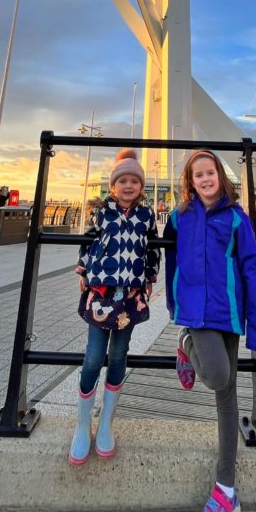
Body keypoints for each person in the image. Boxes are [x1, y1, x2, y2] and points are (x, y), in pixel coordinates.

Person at [164, 149, 256, 512]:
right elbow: (172, 260)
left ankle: (226, 490)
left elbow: (252, 270)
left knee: (227, 394)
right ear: (190, 181)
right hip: (196, 312)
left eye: (210, 173)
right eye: (198, 175)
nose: (205, 179)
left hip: (228, 312)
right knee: (216, 377)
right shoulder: (179, 217)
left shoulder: (238, 218)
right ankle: (187, 343)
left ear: (220, 176)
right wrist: (175, 303)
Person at [70, 149, 159, 465]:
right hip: (102, 292)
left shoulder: (146, 216)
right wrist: (82, 270)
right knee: (94, 357)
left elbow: (152, 250)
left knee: (119, 354)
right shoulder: (101, 212)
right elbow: (88, 241)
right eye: (122, 180)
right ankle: (82, 424)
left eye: (135, 180)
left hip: (130, 295)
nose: (129, 185)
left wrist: (150, 275)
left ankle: (106, 423)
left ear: (141, 186)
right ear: (113, 186)